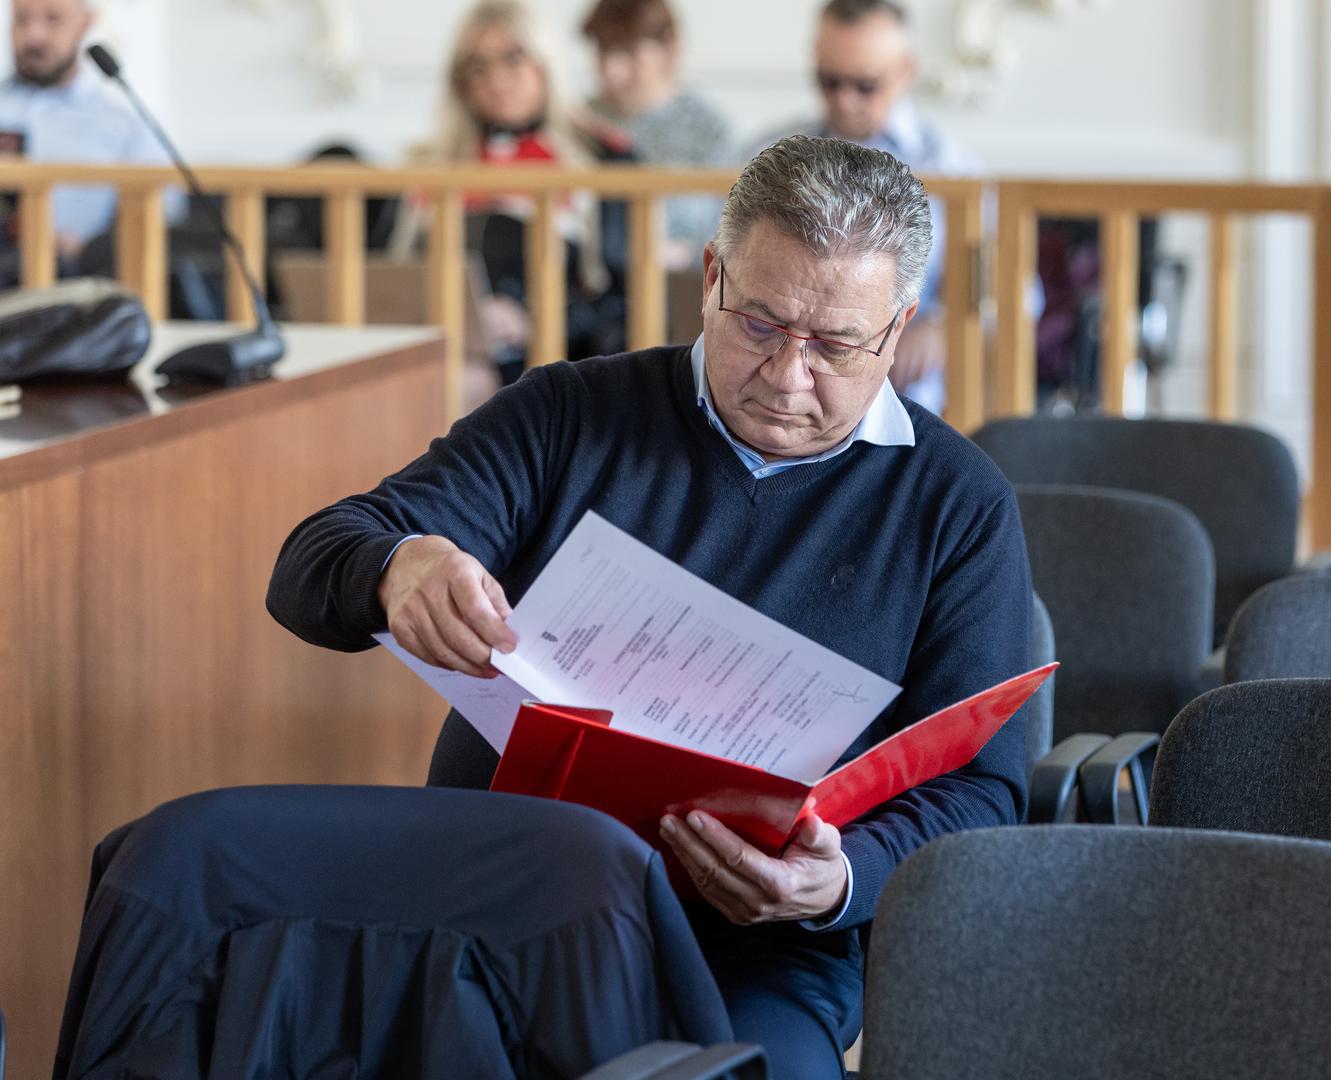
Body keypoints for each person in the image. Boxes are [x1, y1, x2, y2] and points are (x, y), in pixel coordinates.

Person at [268, 135, 1032, 1080]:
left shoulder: (955, 504)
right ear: (710, 277)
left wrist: (839, 881)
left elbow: (984, 792)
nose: (788, 376)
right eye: (757, 323)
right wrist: (396, 565)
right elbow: (308, 563)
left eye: (834, 345)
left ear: (896, 325)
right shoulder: (568, 415)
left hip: (760, 942)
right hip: (501, 899)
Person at [754, 0, 979, 414]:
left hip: (913, 395)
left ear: (905, 70)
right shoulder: (768, 155)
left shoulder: (954, 170)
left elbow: (1012, 287)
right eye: (829, 81)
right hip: (784, 373)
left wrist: (946, 324)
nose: (844, 99)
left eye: (865, 85)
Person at [393, 0, 622, 384]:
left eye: (513, 58)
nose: (496, 80)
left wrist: (534, 320)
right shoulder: (430, 162)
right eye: (478, 65)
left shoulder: (597, 161)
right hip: (434, 345)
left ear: (545, 62)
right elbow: (394, 273)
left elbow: (620, 297)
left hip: (545, 362)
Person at [0, 0, 181, 274]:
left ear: (85, 22)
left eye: (52, 19)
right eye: (22, 19)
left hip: (82, 282)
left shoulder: (126, 123)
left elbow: (163, 212)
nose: (33, 35)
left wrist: (87, 249)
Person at [579, 0, 733, 270]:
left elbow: (725, 229)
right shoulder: (580, 123)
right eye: (604, 50)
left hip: (681, 287)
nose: (614, 71)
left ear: (669, 46)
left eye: (629, 51)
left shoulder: (708, 130)